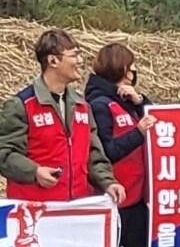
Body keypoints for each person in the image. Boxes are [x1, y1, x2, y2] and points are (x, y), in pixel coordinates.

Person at [84, 43, 157, 247]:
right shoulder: (99, 104)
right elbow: (106, 152)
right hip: (110, 202)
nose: (135, 71)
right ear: (120, 69)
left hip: (137, 200)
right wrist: (138, 132)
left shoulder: (127, 101)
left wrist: (141, 101)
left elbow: (158, 121)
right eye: (131, 66)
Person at [0, 29, 122, 206]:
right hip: (34, 212)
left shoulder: (82, 106)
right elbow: (5, 153)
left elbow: (93, 154)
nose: (80, 61)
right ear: (53, 61)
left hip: (77, 208)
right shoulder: (22, 105)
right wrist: (35, 171)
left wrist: (108, 182)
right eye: (74, 55)